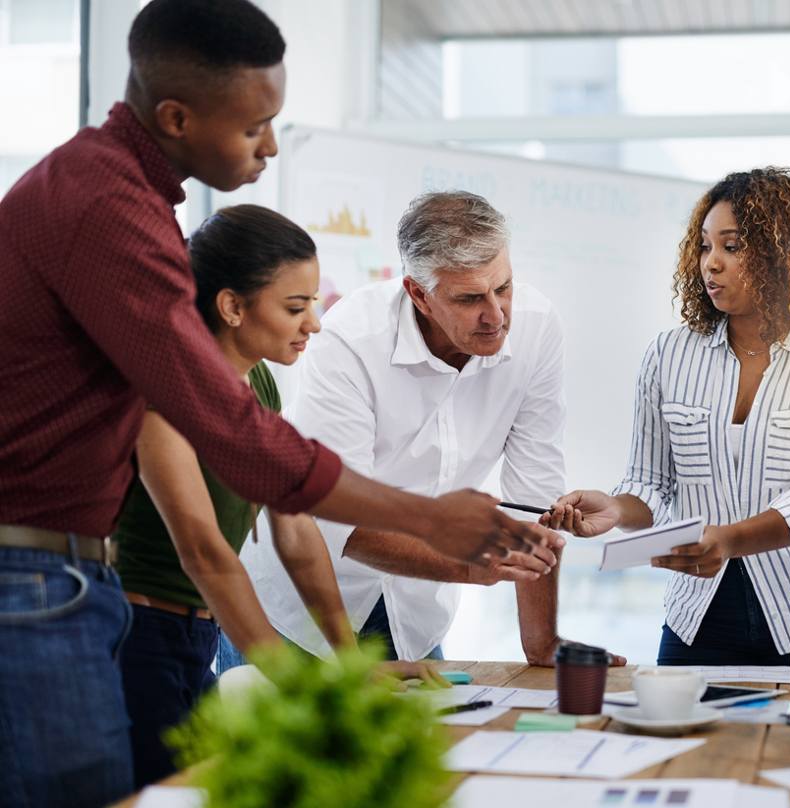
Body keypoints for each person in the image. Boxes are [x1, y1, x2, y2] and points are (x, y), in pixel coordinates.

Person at [0, 3, 545, 805]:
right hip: (38, 577)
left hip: (73, 580)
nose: (271, 146)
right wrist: (432, 519)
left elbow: (279, 508)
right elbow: (231, 439)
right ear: (177, 116)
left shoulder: (125, 195)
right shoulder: (106, 206)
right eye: (256, 126)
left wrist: (339, 660)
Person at [115, 205, 447, 788]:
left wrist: (346, 664)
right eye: (296, 307)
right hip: (139, 634)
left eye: (314, 303)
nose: (314, 324)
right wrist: (305, 688)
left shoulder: (258, 382)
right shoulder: (166, 385)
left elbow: (294, 528)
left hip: (197, 634)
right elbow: (206, 552)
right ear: (232, 307)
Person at [235, 191, 620, 668]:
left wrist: (542, 645)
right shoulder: (350, 340)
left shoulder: (537, 329)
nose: (497, 316)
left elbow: (534, 496)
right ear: (419, 293)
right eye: (470, 298)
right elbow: (334, 518)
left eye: (503, 287)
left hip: (414, 616)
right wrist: (469, 564)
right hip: (300, 613)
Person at [546, 167, 790, 666]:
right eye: (705, 247)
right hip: (698, 617)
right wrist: (617, 509)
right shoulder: (668, 355)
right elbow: (651, 483)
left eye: (733, 246)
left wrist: (727, 540)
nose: (712, 265)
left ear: (785, 255)